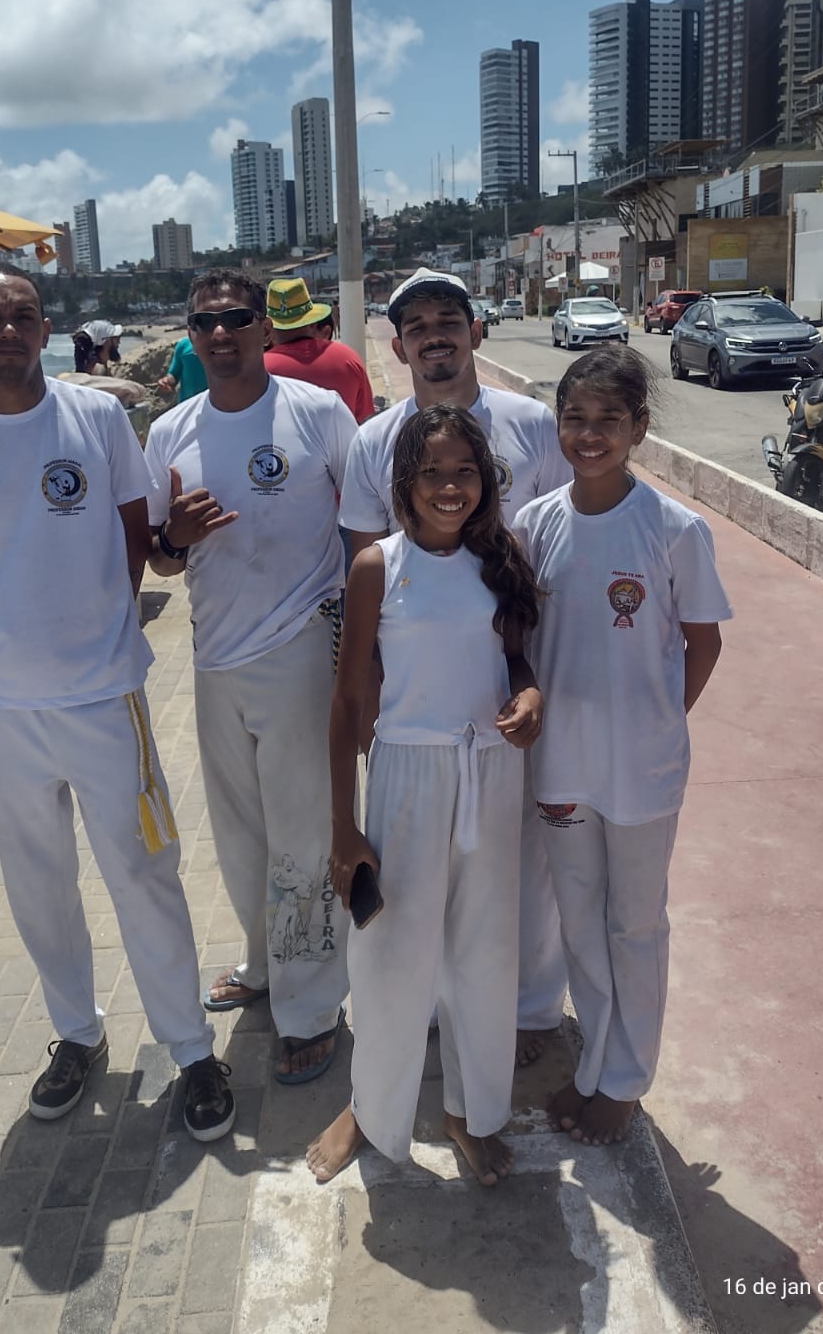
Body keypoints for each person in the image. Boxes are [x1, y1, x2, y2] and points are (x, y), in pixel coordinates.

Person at [0, 264, 234, 1140]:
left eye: (23, 315)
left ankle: (193, 1049)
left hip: (105, 699)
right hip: (3, 709)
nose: (8, 330)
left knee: (145, 876)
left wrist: (162, 557)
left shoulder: (96, 418)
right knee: (38, 887)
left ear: (44, 327)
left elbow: (142, 546)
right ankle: (76, 1034)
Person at [306, 404, 544, 1186]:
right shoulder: (379, 565)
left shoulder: (500, 556)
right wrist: (345, 827)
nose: (451, 487)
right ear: (403, 483)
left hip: (491, 773)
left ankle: (471, 1113)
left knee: (484, 953)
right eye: (433, 473)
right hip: (407, 771)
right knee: (389, 955)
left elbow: (514, 661)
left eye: (465, 471)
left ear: (487, 479)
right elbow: (348, 704)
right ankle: (370, 1109)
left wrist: (529, 694)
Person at [339, 266, 571, 1064]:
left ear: (476, 331)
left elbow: (568, 525)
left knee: (523, 859)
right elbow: (368, 572)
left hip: (524, 660)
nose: (434, 334)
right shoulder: (374, 441)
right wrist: (373, 708)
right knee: (425, 870)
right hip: (423, 698)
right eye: (416, 325)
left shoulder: (532, 424)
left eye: (449, 318)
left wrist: (537, 672)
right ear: (397, 346)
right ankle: (433, 1011)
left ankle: (533, 1011)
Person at [512, 346, 730, 1146]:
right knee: (580, 922)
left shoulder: (673, 530)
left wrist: (660, 724)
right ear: (557, 425)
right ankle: (596, 1062)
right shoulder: (534, 527)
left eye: (609, 419)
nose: (590, 433)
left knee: (636, 925)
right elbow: (522, 637)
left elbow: (702, 644)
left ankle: (627, 1083)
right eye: (575, 418)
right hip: (562, 765)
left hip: (642, 771)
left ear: (640, 427)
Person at [144, 270, 357, 1086]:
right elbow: (157, 563)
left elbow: (365, 515)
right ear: (189, 334)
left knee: (306, 836)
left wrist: (362, 645)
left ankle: (312, 1008)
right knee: (240, 837)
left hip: (303, 645)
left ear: (264, 327)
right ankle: (267, 968)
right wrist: (173, 536)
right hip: (213, 656)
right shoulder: (171, 432)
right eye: (206, 321)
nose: (222, 333)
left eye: (236, 318)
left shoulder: (316, 412)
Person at [263, 277, 375, 423]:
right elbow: (366, 420)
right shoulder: (347, 358)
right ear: (311, 321)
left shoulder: (260, 369)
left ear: (268, 327)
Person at [156, 334, 208, 403]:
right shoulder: (184, 345)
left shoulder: (221, 346)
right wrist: (167, 381)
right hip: (188, 406)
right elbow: (174, 374)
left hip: (218, 406)